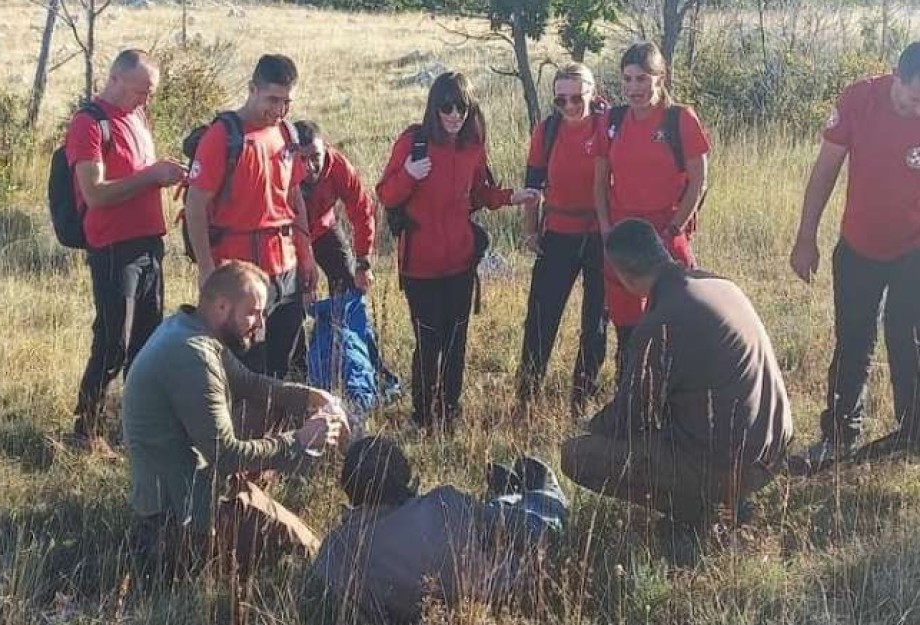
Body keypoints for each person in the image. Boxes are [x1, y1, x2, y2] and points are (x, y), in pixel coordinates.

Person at [561, 220, 792, 556]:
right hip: (774, 448)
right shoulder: (718, 285)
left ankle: (695, 513)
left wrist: (588, 428)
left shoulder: (661, 323)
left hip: (731, 466)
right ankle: (714, 501)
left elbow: (629, 419)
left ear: (624, 277)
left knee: (576, 455)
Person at [122, 260, 349, 584]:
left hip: (180, 488)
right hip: (180, 520)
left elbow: (251, 384)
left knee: (272, 405)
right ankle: (225, 533)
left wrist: (312, 397)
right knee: (315, 551)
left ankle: (247, 501)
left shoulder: (188, 328)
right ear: (221, 306)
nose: (259, 324)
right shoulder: (193, 356)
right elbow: (225, 455)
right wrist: (300, 441)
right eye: (253, 313)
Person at [376, 71, 538, 430]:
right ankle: (422, 418)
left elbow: (480, 193)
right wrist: (408, 174)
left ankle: (450, 413)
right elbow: (386, 194)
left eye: (460, 107)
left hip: (460, 264)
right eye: (446, 107)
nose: (453, 115)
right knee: (427, 343)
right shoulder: (412, 143)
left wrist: (513, 196)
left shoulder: (472, 147)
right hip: (420, 266)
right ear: (433, 108)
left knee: (456, 343)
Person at [789, 41, 920, 470]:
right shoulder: (860, 99)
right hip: (859, 245)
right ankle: (839, 436)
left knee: (908, 336)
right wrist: (806, 237)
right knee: (853, 339)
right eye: (915, 97)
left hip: (913, 248)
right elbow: (825, 169)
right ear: (896, 78)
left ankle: (913, 433)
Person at [65, 49, 188, 456]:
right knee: (113, 340)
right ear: (116, 79)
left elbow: (139, 175)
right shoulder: (89, 123)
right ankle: (86, 431)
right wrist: (152, 176)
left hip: (149, 243)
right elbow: (96, 194)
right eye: (141, 90)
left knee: (148, 342)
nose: (146, 99)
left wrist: (164, 176)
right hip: (113, 246)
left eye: (150, 92)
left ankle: (138, 425)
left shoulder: (137, 117)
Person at [307, 436, 567, 624]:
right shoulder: (443, 503)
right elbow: (528, 534)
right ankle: (537, 493)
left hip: (441, 608)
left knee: (492, 514)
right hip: (501, 590)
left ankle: (511, 494)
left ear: (349, 490)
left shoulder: (336, 551)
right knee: (533, 515)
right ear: (407, 478)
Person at [184, 54, 316, 380]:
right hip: (239, 277)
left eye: (287, 101)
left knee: (280, 368)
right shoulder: (223, 136)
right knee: (246, 372)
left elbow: (294, 197)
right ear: (252, 89)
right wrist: (206, 269)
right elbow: (195, 205)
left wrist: (307, 256)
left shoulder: (286, 134)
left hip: (285, 271)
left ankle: (277, 430)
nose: (280, 109)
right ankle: (242, 431)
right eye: (273, 99)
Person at [594, 41, 711, 375]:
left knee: (675, 318)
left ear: (661, 78)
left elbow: (698, 180)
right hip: (623, 235)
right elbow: (600, 182)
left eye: (642, 79)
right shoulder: (612, 120)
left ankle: (674, 395)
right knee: (627, 328)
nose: (634, 88)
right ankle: (630, 400)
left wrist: (673, 228)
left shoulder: (680, 119)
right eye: (627, 79)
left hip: (665, 233)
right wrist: (606, 229)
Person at [515, 63, 607, 416]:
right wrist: (530, 230)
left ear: (592, 93)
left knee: (595, 323)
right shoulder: (547, 130)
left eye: (576, 98)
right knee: (540, 317)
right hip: (558, 234)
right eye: (560, 100)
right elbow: (533, 185)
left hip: (600, 235)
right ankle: (526, 398)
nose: (569, 106)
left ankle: (581, 401)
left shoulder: (609, 125)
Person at [294, 119, 376, 295]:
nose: (309, 167)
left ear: (325, 148)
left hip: (323, 227)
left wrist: (363, 261)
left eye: (315, 157)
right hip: (289, 237)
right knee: (293, 295)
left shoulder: (339, 167)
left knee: (347, 282)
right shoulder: (280, 171)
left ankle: (340, 320)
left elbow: (362, 210)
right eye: (302, 159)